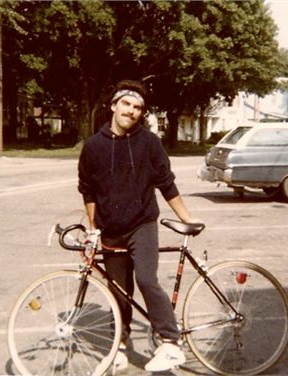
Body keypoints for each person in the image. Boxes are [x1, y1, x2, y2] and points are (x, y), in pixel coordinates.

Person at [78, 80, 197, 372]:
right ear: (114, 105)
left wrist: (187, 218)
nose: (131, 111)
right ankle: (119, 344)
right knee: (118, 289)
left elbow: (166, 184)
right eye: (127, 104)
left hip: (142, 223)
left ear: (141, 113)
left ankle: (170, 343)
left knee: (146, 278)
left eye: (138, 108)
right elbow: (88, 191)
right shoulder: (93, 147)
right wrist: (93, 229)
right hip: (110, 228)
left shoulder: (149, 143)